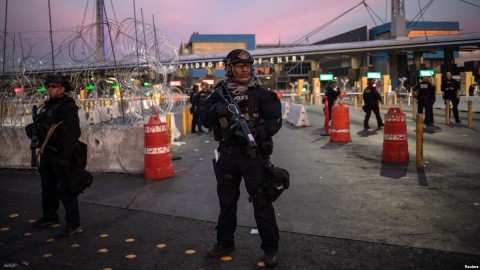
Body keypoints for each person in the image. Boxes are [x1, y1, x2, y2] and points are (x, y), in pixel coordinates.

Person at [200, 49, 282, 267]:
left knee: (262, 202)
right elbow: (204, 118)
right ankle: (224, 242)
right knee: (227, 203)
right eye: (239, 65)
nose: (245, 69)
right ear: (230, 68)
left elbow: (275, 121)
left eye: (247, 65)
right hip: (227, 155)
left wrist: (256, 133)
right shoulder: (219, 93)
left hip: (253, 156)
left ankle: (270, 248)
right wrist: (217, 110)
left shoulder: (261, 93)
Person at [25, 74, 82, 237]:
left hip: (60, 154)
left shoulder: (67, 107)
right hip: (47, 152)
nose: (50, 89)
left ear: (63, 89)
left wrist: (65, 157)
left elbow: (74, 132)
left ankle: (73, 223)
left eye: (54, 86)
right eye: (48, 86)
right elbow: (42, 126)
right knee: (47, 187)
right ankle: (50, 216)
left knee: (66, 190)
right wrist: (32, 129)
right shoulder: (47, 106)